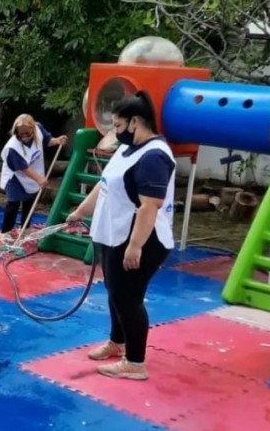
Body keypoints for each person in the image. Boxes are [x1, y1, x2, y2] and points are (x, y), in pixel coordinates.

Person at [66, 91, 176, 381]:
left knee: (128, 299)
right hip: (114, 235)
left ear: (135, 122)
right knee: (115, 293)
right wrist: (80, 212)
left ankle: (136, 363)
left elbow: (149, 206)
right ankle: (118, 342)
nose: (115, 131)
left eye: (117, 125)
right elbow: (103, 185)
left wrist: (135, 246)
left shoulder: (154, 156)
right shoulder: (127, 150)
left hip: (141, 239)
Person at [0, 114, 68, 245]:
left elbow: (47, 140)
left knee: (30, 201)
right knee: (13, 203)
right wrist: (39, 179)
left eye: (27, 133)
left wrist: (57, 141)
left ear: (33, 130)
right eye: (21, 133)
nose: (24, 136)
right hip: (15, 176)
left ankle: (25, 228)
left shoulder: (39, 129)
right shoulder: (12, 148)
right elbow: (23, 169)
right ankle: (5, 232)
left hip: (34, 172)